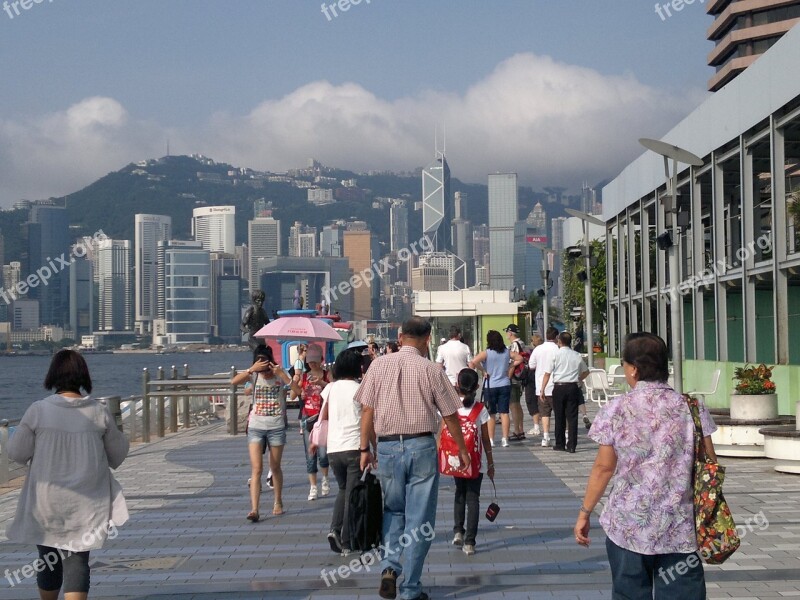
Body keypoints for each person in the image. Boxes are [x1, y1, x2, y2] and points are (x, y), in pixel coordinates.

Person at [575, 332, 718, 597]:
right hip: (679, 528)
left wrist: (585, 513)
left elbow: (604, 469)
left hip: (627, 526)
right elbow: (709, 463)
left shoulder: (616, 408)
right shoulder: (693, 407)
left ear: (634, 370)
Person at [357, 316, 469, 600]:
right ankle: (410, 588)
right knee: (419, 518)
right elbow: (450, 415)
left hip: (387, 447)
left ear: (400, 335)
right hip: (421, 446)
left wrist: (364, 449)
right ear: (428, 339)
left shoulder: (378, 365)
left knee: (393, 510)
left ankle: (389, 568)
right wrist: (462, 450)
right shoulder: (432, 370)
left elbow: (367, 411)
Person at [6, 350, 129, 600]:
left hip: (46, 501)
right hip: (88, 501)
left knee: (47, 559)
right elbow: (118, 454)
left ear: (53, 376)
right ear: (83, 376)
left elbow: (16, 452)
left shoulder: (38, 410)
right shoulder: (99, 411)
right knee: (77, 561)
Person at [315, 350, 374, 556]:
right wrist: (371, 448)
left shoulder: (330, 388)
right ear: (357, 368)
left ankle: (335, 529)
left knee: (342, 490)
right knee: (352, 494)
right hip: (354, 447)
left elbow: (324, 415)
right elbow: (368, 420)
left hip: (333, 448)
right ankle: (348, 542)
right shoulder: (360, 389)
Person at [232, 344, 291, 520]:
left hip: (276, 426)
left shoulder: (280, 375)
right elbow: (234, 382)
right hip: (256, 426)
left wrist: (283, 375)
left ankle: (278, 501)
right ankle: (255, 509)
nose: (263, 367)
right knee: (256, 469)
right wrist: (252, 370)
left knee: (275, 466)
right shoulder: (255, 375)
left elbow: (298, 391)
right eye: (260, 363)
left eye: (265, 363)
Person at [445, 368, 494, 556]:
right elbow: (486, 438)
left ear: (457, 385)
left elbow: (443, 430)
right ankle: (470, 542)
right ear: (477, 386)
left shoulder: (450, 405)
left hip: (455, 459)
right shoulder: (480, 409)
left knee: (459, 493)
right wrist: (490, 463)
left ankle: (458, 530)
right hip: (475, 461)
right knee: (473, 498)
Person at [291, 344, 331, 501]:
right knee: (310, 455)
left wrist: (321, 383)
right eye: (310, 361)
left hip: (323, 419)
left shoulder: (327, 375)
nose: (312, 364)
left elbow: (332, 390)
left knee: (323, 454)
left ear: (320, 360)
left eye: (315, 361)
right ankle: (313, 487)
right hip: (307, 419)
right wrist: (297, 381)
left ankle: (325, 478)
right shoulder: (304, 377)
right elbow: (294, 395)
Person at [469, 330, 522, 448]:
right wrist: (510, 366)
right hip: (505, 384)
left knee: (491, 413)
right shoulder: (507, 352)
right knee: (504, 412)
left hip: (490, 385)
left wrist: (483, 370)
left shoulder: (486, 353)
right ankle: (505, 439)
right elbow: (519, 358)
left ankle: (491, 439)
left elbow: (473, 362)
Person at [540, 332, 589, 453]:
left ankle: (560, 443)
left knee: (559, 416)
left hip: (559, 386)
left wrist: (542, 389)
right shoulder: (577, 355)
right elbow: (586, 371)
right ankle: (572, 445)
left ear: (559, 342)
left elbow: (547, 373)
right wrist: (578, 379)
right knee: (572, 417)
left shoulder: (555, 355)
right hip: (572, 387)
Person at [530, 327, 559, 447]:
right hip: (557, 384)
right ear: (556, 336)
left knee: (545, 413)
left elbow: (531, 365)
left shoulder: (538, 349)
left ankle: (546, 437)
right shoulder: (558, 349)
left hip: (541, 386)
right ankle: (565, 435)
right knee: (561, 413)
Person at [504, 324, 527, 441]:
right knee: (517, 404)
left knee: (513, 405)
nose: (506, 335)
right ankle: (521, 429)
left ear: (510, 333)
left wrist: (508, 375)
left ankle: (517, 430)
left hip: (514, 378)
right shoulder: (522, 343)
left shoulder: (514, 345)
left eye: (507, 332)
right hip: (520, 378)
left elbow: (514, 361)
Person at [525, 333, 543, 436]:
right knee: (543, 404)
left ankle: (536, 426)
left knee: (531, 401)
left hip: (533, 378)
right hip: (545, 379)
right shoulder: (546, 350)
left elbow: (531, 365)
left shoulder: (534, 351)